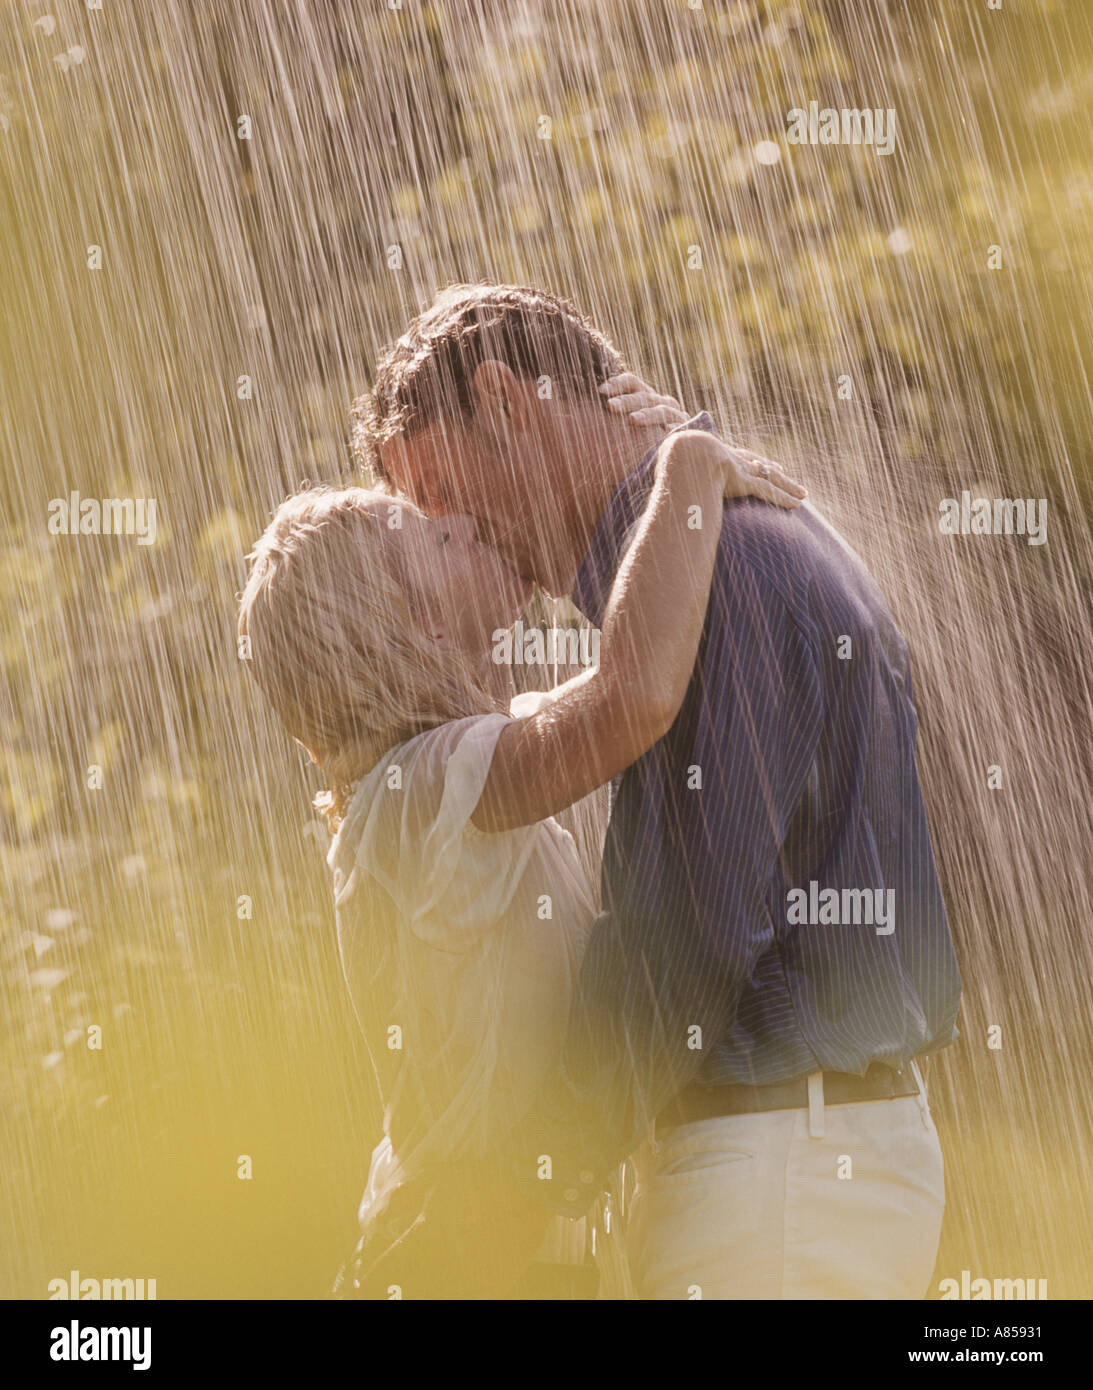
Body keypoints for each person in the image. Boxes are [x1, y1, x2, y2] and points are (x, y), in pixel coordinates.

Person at [357, 281, 963, 1300]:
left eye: (439, 495)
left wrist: (519, 1192)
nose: (458, 535)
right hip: (790, 1161)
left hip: (776, 1177)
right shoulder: (724, 546)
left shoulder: (723, 570)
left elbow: (686, 935)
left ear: (508, 402)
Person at [237, 380, 803, 1298]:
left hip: (500, 1246)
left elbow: (630, 654)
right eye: (436, 536)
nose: (468, 524)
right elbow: (632, 697)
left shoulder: (441, 779)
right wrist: (686, 469)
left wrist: (629, 462)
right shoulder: (418, 790)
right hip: (456, 1248)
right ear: (395, 627)